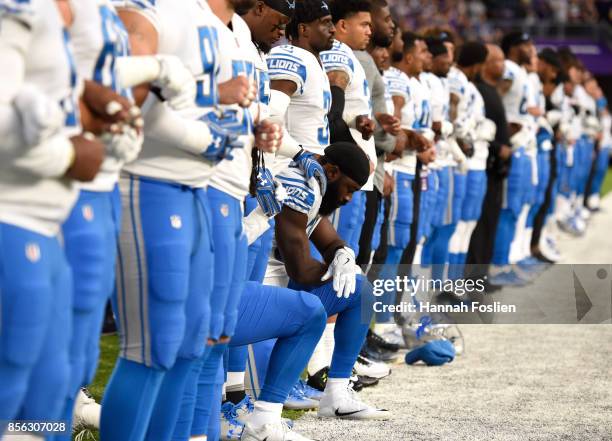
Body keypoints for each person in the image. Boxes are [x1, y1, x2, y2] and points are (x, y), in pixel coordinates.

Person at [0, 0, 105, 436]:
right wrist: (66, 155)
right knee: (11, 381)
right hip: (12, 217)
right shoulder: (20, 9)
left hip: (47, 224)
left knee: (51, 385)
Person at [465, 44, 512, 283]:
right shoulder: (479, 90)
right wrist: (497, 148)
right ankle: (473, 277)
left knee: (489, 221)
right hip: (483, 165)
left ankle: (481, 276)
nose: (501, 65)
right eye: (497, 60)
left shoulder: (492, 90)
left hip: (495, 167)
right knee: (477, 225)